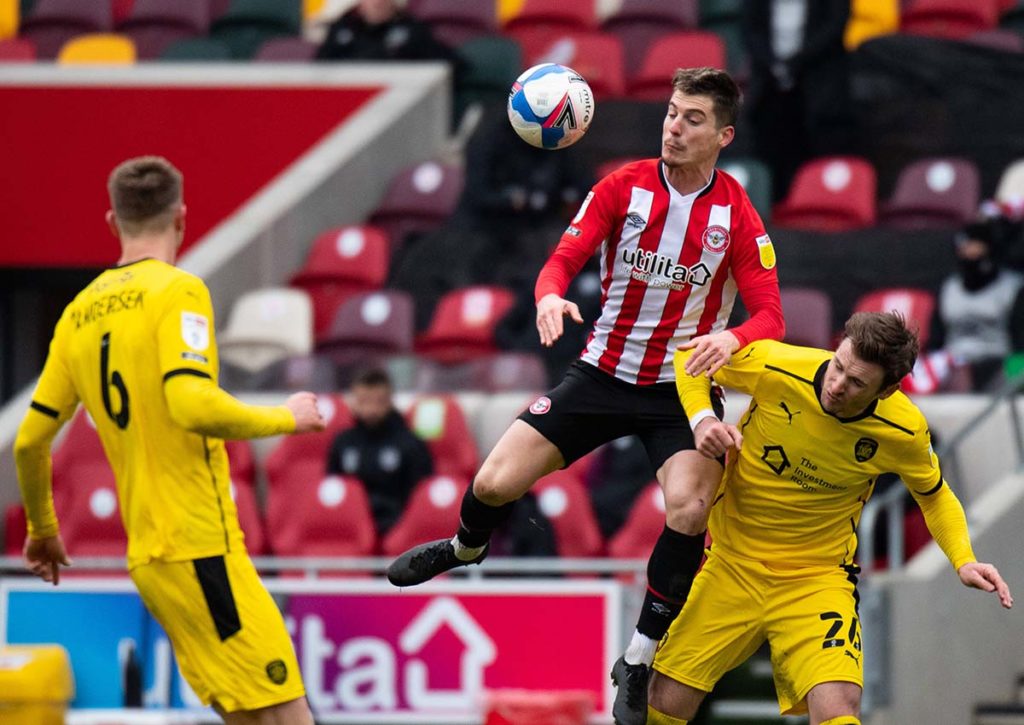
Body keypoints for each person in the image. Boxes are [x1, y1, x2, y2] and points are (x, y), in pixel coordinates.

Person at [385, 66, 785, 725]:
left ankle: (638, 654)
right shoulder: (621, 187)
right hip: (600, 373)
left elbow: (770, 314)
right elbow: (562, 260)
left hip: (678, 392)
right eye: (671, 114)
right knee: (493, 479)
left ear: (723, 135)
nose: (674, 127)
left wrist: (733, 338)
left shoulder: (736, 215)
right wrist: (548, 295)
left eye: (691, 120)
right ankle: (463, 547)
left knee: (689, 508)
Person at [12, 157, 325, 725]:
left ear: (112, 221)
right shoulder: (179, 292)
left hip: (151, 557)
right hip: (200, 546)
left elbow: (30, 441)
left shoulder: (77, 314)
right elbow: (190, 404)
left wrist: (43, 530)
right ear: (182, 216)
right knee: (287, 716)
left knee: (252, 716)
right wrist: (284, 417)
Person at [646, 311, 1013, 725]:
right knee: (661, 704)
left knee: (839, 709)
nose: (837, 385)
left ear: (889, 389)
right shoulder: (778, 365)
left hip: (817, 580)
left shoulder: (903, 430)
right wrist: (703, 419)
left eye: (857, 383)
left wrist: (963, 559)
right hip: (731, 565)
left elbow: (935, 495)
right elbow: (688, 358)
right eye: (839, 365)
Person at [742, 0, 854, 201]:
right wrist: (774, 64)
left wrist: (796, 62)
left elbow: (835, 27)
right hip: (769, 93)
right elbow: (750, 31)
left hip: (820, 93)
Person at [326, 367, 434, 535]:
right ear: (354, 401)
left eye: (378, 401)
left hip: (396, 527)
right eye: (364, 401)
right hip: (352, 528)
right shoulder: (343, 442)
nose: (371, 410)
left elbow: (420, 496)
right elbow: (334, 489)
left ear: (390, 400)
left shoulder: (410, 443)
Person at [931, 220, 1024, 391]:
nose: (969, 252)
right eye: (965, 247)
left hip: (1000, 361)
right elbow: (936, 342)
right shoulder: (948, 289)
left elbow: (1020, 342)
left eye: (975, 246)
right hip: (956, 364)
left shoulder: (1014, 288)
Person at [315, 0, 456, 64]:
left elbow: (449, 66)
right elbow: (318, 69)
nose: (377, 2)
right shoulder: (343, 27)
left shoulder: (412, 30)